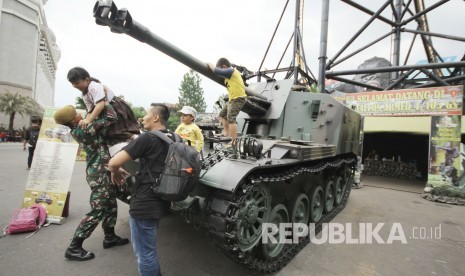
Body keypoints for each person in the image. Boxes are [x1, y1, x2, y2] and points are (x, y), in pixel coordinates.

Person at [54, 105, 129, 261]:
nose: (80, 115)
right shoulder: (84, 130)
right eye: (77, 114)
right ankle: (74, 247)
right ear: (72, 120)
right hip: (99, 174)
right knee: (98, 209)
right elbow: (111, 118)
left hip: (103, 171)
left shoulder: (83, 128)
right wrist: (103, 101)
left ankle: (110, 237)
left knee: (110, 204)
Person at [108, 103, 175, 276]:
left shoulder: (148, 138)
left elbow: (113, 163)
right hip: (162, 199)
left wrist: (115, 172)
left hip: (144, 202)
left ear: (155, 117)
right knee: (149, 250)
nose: (142, 118)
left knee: (145, 254)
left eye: (146, 114)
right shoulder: (175, 137)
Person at [67, 67, 140, 145]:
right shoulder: (85, 94)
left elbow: (100, 104)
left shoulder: (94, 86)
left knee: (119, 129)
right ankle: (130, 141)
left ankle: (136, 138)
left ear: (87, 80)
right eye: (73, 83)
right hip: (105, 110)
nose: (75, 86)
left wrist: (88, 120)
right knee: (108, 132)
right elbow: (90, 110)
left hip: (114, 107)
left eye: (77, 83)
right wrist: (86, 122)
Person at [208, 58, 247, 143]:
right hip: (232, 99)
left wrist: (209, 64)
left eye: (221, 68)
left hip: (238, 98)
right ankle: (226, 133)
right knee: (222, 114)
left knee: (231, 118)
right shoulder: (229, 76)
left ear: (224, 67)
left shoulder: (231, 71)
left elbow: (216, 71)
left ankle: (233, 141)